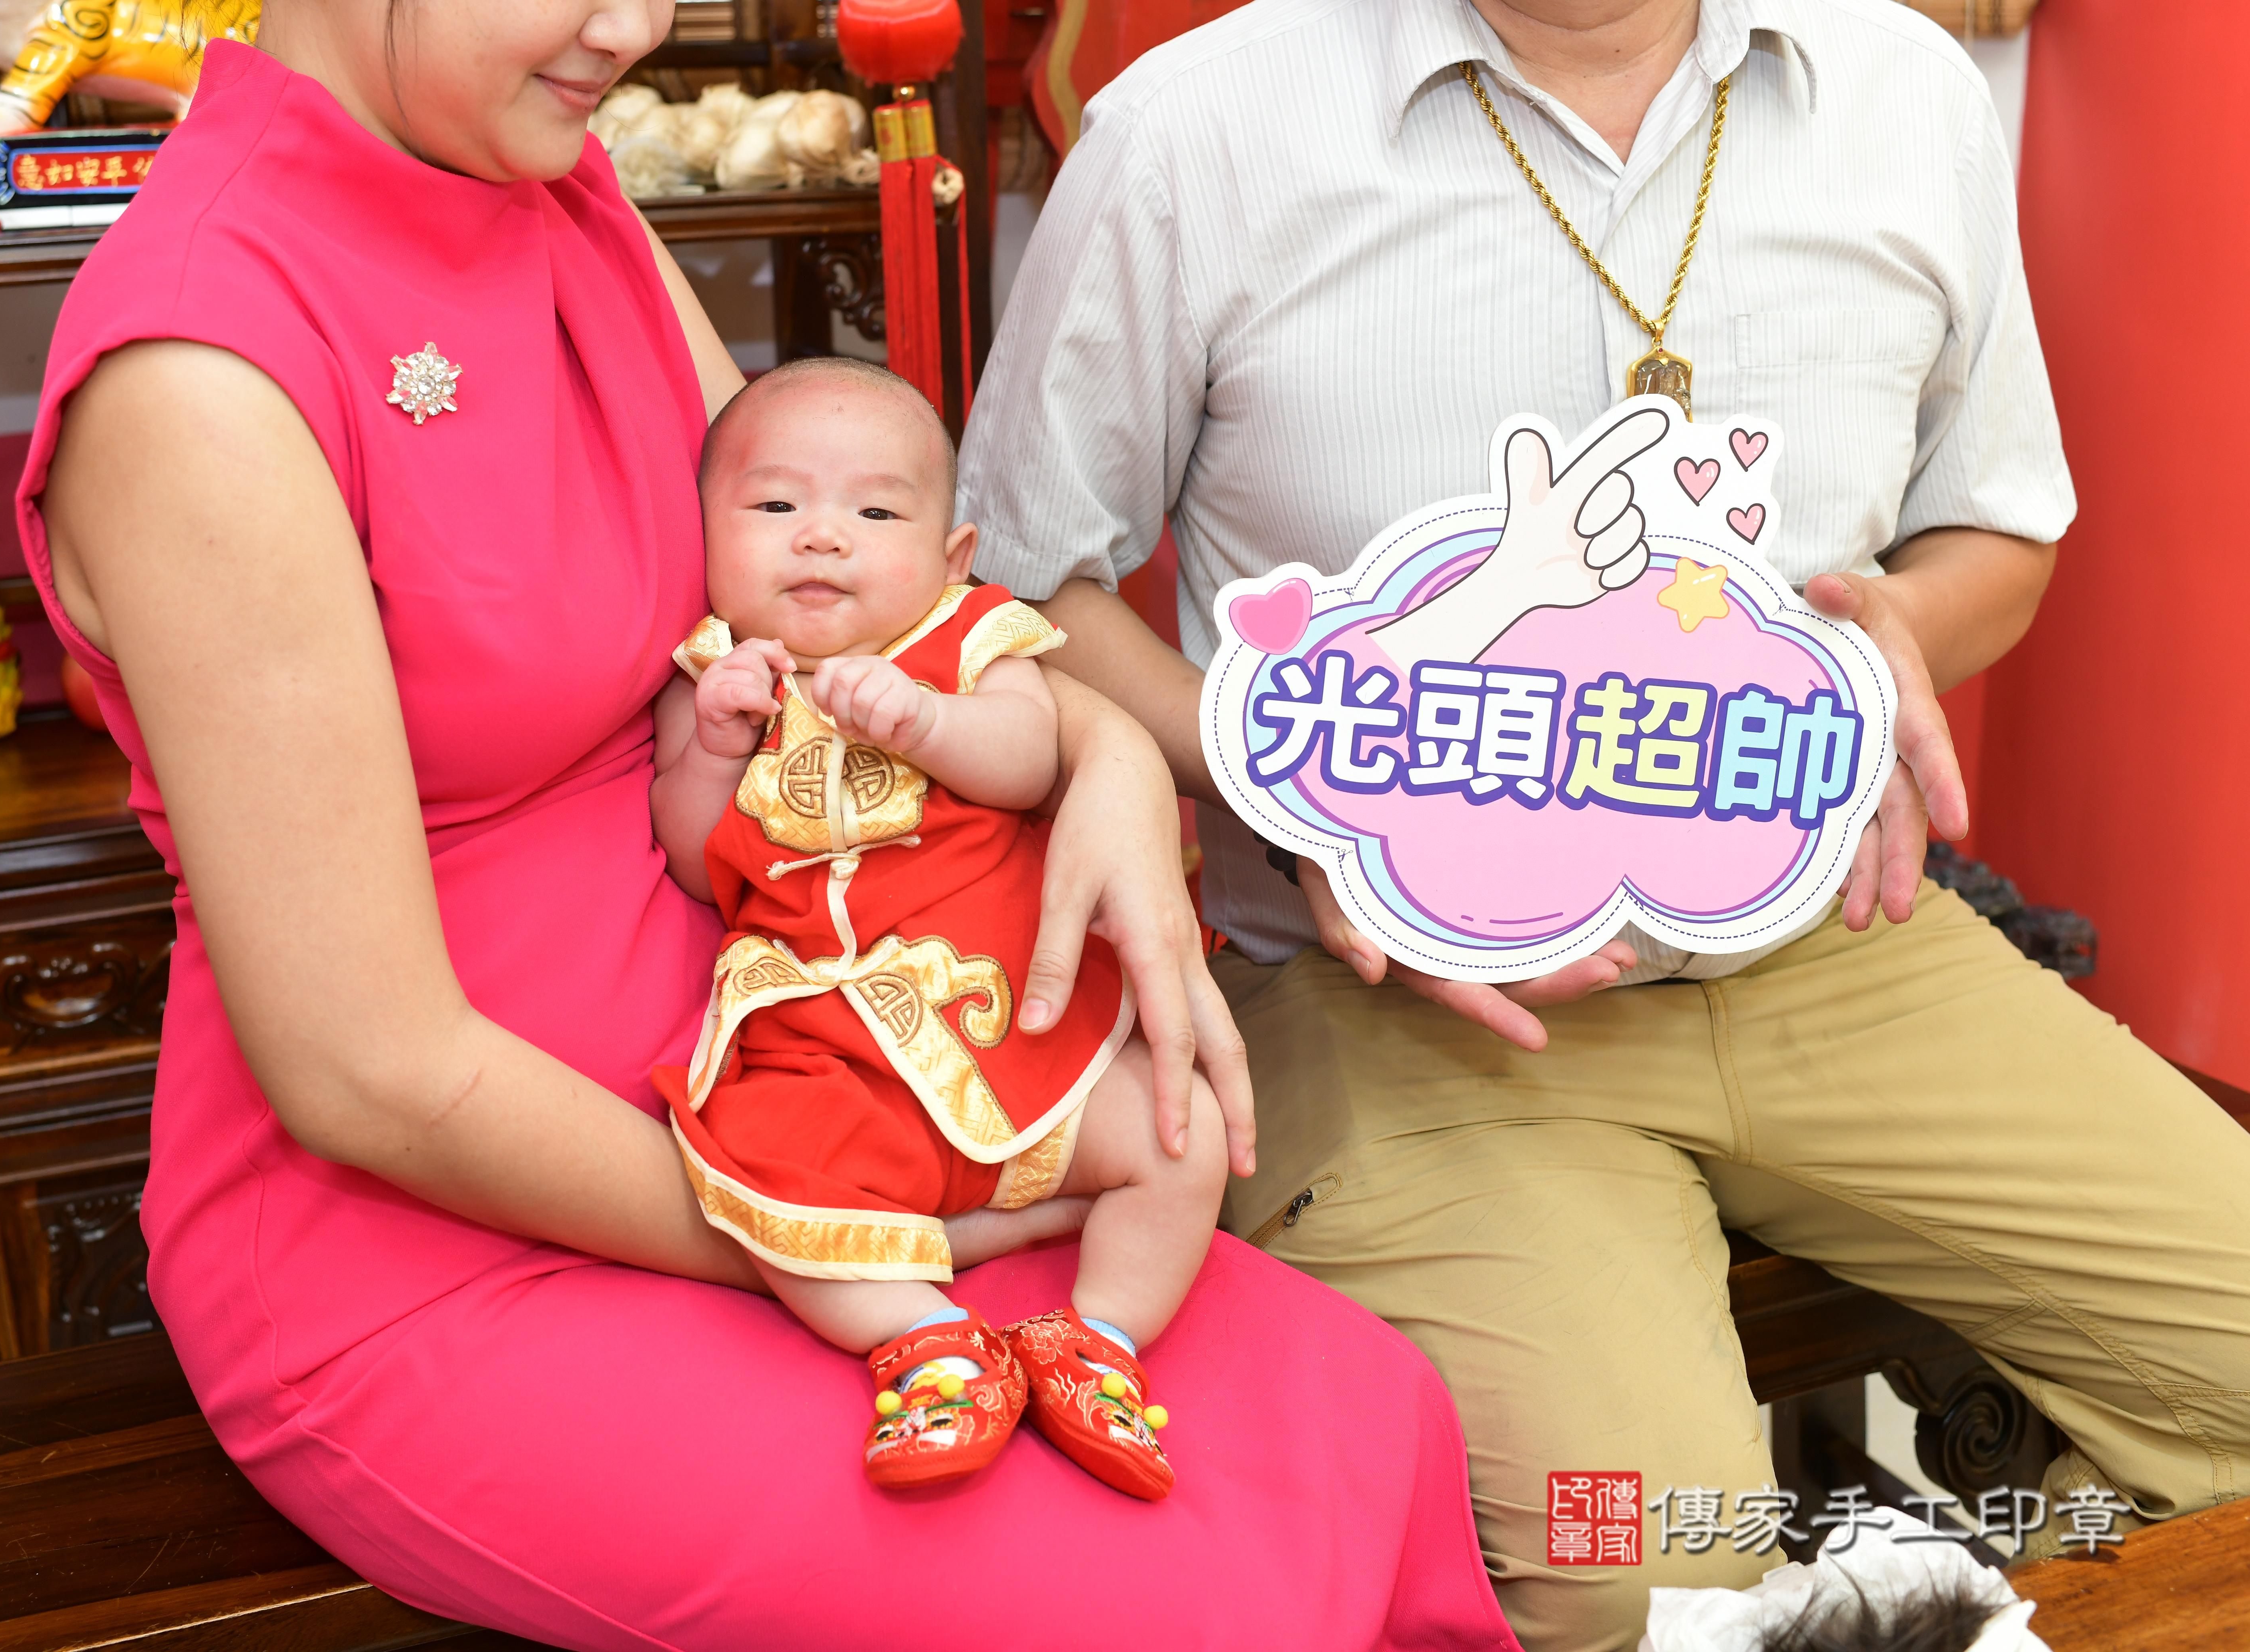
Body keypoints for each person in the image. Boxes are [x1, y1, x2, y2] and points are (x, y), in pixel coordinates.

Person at [12, 2, 1521, 1648]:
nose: (636, 28)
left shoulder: (548, 173)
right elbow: (373, 1074)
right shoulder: (201, 374)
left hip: (825, 1077)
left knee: (1366, 1416)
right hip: (479, 1235)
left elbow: (852, 608)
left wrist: (1091, 748)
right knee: (1172, 1596)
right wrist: (880, 1226)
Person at [961, 0, 2250, 1646]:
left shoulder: (1901, 88)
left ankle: (2001, 1573)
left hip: (1837, 952)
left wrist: (1892, 634)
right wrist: (1302, 804)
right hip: (1393, 1003)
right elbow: (1022, 584)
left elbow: (1999, 523)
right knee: (1648, 1573)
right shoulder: (1198, 126)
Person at [651, 357, 1224, 1499]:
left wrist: (927, 720)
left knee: (1181, 1135)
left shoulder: (972, 642)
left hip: (1013, 1015)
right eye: (775, 508)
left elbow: (1023, 764)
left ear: (952, 557)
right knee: (760, 1177)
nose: (823, 539)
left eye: (874, 512)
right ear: (704, 539)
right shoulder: (718, 673)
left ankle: (1098, 1339)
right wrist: (713, 743)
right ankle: (924, 1342)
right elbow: (694, 856)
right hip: (825, 1043)